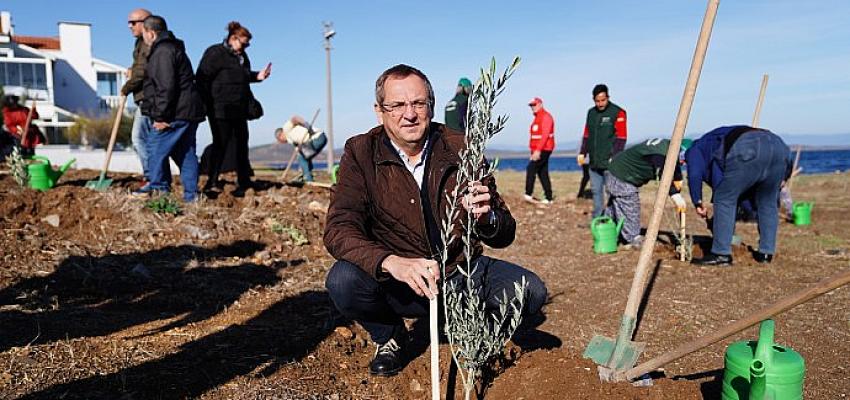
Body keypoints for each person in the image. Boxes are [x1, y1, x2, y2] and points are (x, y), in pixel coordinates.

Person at [324, 64, 548, 377]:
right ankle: (389, 336)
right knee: (343, 281)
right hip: (398, 282)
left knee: (530, 291)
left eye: (418, 103)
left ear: (431, 104)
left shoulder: (461, 146)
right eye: (397, 105)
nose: (409, 114)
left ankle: (461, 326)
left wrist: (487, 218)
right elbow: (338, 229)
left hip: (458, 271)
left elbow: (504, 233)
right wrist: (392, 262)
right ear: (380, 111)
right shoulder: (361, 152)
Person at [685, 125, 792, 266]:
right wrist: (785, 175)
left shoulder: (695, 149)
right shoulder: (713, 144)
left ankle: (721, 254)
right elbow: (734, 188)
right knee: (767, 202)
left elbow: (695, 174)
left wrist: (697, 201)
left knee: (723, 199)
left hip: (749, 146)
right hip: (779, 147)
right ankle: (766, 253)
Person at [196, 21, 271, 198]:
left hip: (239, 109)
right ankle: (211, 182)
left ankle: (244, 182)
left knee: (241, 145)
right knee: (220, 144)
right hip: (219, 109)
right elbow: (202, 79)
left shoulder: (242, 57)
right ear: (232, 38)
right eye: (243, 43)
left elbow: (243, 77)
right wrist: (206, 105)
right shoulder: (215, 53)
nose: (245, 47)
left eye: (247, 44)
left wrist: (257, 76)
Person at [134, 15, 205, 202]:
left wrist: (160, 117)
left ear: (151, 33)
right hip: (188, 111)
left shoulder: (162, 51)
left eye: (143, 34)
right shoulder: (173, 48)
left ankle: (159, 194)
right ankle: (191, 197)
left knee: (154, 149)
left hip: (175, 113)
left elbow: (165, 86)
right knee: (185, 153)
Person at [604, 138, 688, 248]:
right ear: (679, 150)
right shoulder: (660, 155)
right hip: (621, 175)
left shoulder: (668, 146)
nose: (683, 162)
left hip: (616, 169)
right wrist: (675, 195)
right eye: (683, 157)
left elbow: (673, 162)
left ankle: (605, 231)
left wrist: (678, 177)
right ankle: (633, 238)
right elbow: (664, 174)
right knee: (630, 205)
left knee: (617, 207)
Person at [580, 84, 627, 217]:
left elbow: (621, 137)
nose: (600, 103)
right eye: (597, 101)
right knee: (596, 191)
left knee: (612, 192)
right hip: (594, 162)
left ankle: (613, 218)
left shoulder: (618, 112)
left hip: (609, 162)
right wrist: (582, 152)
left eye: (603, 100)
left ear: (608, 97)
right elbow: (586, 135)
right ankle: (598, 219)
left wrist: (615, 156)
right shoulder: (591, 113)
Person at [120, 8, 152, 185]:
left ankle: (151, 176)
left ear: (146, 22)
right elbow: (138, 67)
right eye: (128, 22)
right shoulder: (139, 43)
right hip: (144, 97)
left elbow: (142, 71)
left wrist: (126, 88)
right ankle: (153, 175)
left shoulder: (148, 42)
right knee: (147, 139)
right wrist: (132, 71)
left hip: (149, 98)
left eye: (133, 22)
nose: (130, 26)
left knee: (139, 138)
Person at [274, 115, 327, 182]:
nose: (281, 142)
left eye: (279, 140)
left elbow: (294, 118)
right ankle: (307, 175)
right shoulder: (292, 141)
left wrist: (306, 125)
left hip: (317, 137)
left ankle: (308, 179)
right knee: (305, 156)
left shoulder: (286, 129)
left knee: (302, 157)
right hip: (317, 140)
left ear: (280, 136)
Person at [524, 97, 555, 204]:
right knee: (542, 172)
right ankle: (549, 197)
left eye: (535, 105)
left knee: (531, 168)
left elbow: (545, 135)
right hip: (537, 150)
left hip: (544, 149)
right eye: (531, 105)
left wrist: (538, 151)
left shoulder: (546, 117)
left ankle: (528, 194)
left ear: (540, 104)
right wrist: (533, 151)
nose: (533, 107)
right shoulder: (536, 118)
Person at [2, 92, 45, 158]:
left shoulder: (24, 109)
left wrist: (33, 110)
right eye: (13, 104)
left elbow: (35, 116)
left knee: (31, 152)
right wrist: (19, 130)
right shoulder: (7, 113)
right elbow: (10, 125)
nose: (15, 105)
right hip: (18, 136)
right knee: (21, 152)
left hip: (29, 135)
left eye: (15, 103)